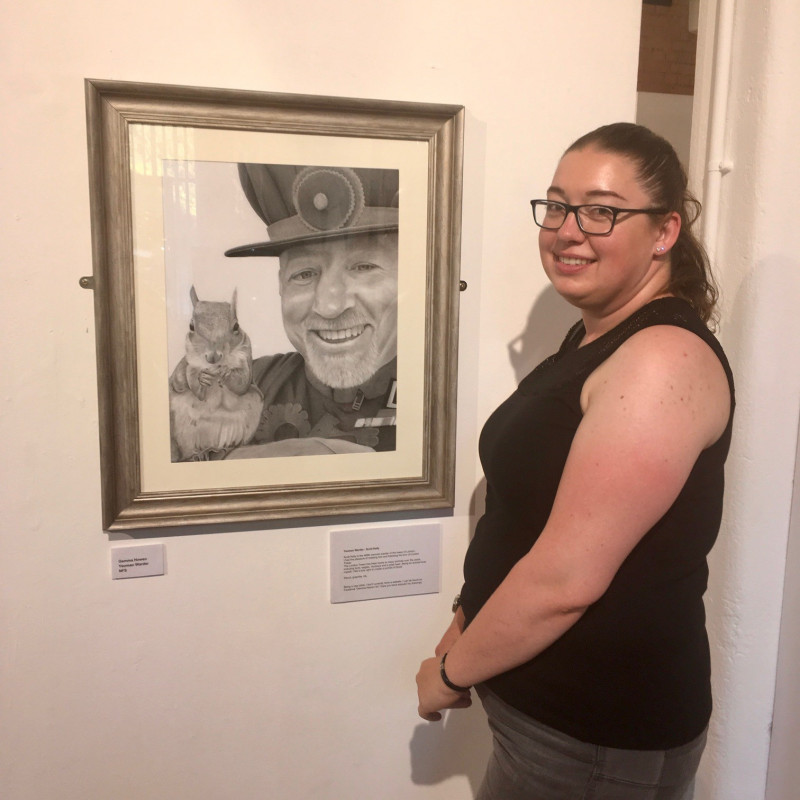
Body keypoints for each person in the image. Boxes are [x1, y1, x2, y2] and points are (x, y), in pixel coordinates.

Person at [415, 123, 735, 799]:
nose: (567, 229)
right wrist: (464, 623)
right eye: (557, 205)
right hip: (556, 726)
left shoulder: (660, 361)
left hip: (593, 737)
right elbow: (527, 517)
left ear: (665, 231)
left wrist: (450, 674)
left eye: (600, 210)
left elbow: (566, 578)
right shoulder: (598, 337)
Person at [224, 163, 400, 458]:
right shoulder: (238, 388)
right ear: (281, 285)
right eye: (304, 273)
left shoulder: (440, 393)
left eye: (363, 267)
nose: (330, 307)